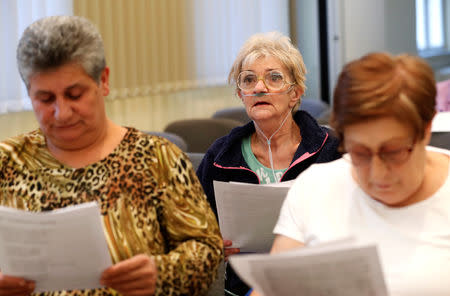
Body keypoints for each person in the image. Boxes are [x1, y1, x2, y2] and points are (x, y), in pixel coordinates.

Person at [0, 15, 222, 296]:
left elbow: (208, 251)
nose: (62, 112)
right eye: (45, 99)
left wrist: (163, 273)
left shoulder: (156, 158)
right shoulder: (7, 162)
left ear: (103, 81)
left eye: (75, 94)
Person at [251, 52, 450, 295]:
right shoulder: (315, 187)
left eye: (393, 152)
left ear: (427, 128)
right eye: (360, 153)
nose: (377, 174)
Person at [196, 31, 341, 295]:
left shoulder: (330, 150)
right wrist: (212, 246)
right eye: (248, 80)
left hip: (317, 283)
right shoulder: (220, 157)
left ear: (295, 93)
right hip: (241, 285)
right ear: (241, 94)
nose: (259, 87)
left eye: (274, 78)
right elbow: (194, 231)